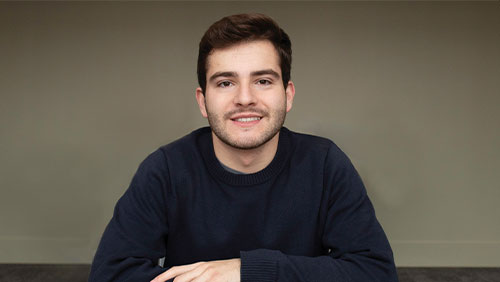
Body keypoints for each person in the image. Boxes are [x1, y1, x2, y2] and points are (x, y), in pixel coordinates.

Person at [89, 13, 399, 282]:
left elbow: (375, 273)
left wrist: (248, 271)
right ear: (202, 101)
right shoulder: (166, 169)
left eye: (263, 81)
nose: (245, 98)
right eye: (225, 83)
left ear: (288, 95)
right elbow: (110, 274)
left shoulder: (324, 164)